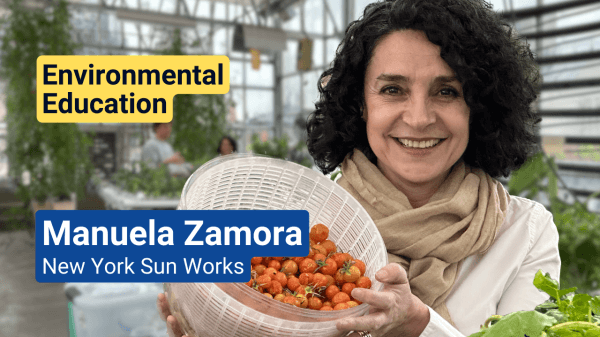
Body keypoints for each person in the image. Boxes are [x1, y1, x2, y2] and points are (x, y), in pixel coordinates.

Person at [157, 0, 561, 336]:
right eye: (392, 89)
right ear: (361, 104)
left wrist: (420, 325)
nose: (419, 118)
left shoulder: (524, 233)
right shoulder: (312, 221)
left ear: (479, 107)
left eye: (447, 91)